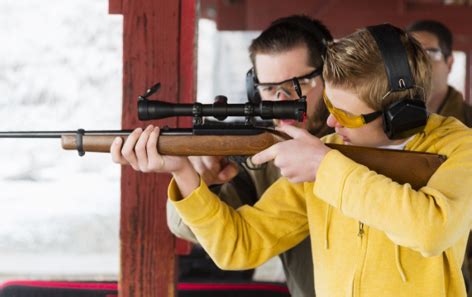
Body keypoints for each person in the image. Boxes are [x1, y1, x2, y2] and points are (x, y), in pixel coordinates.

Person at [111, 24, 472, 297]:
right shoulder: (329, 152)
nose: (330, 123)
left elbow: (431, 230)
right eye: (330, 107)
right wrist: (183, 171)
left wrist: (326, 168)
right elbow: (240, 245)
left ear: (400, 115)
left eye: (346, 115)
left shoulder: (459, 148)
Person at [166, 15, 333, 297]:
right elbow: (199, 233)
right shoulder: (261, 152)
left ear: (330, 77)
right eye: (270, 89)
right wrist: (199, 181)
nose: (282, 101)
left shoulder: (364, 138)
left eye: (297, 85)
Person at [407, 20, 472, 295]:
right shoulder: (377, 128)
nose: (418, 61)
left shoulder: (468, 126)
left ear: (449, 62)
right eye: (409, 53)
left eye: (429, 52)